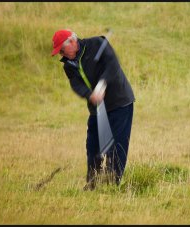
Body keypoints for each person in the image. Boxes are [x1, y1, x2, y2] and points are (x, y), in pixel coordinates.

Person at [51, 29, 135, 190]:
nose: (61, 54)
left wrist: (102, 85)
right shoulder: (68, 65)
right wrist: (90, 95)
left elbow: (112, 66)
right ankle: (93, 182)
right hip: (96, 108)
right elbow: (77, 85)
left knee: (117, 145)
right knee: (92, 146)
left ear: (72, 41)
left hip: (120, 102)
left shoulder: (98, 44)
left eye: (62, 49)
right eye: (59, 51)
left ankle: (112, 183)